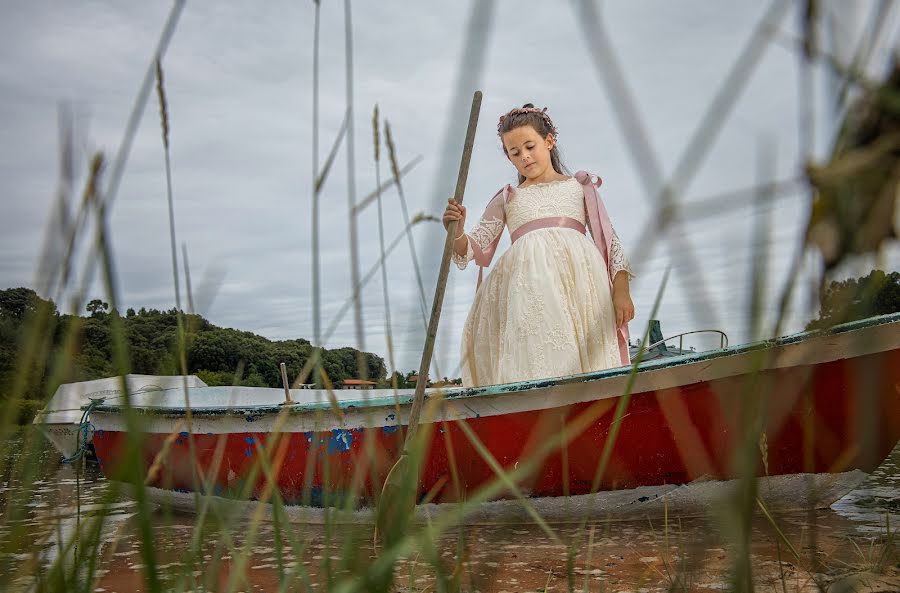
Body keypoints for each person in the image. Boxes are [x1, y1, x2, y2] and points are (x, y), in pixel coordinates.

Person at [443, 104, 635, 387]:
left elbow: (610, 241)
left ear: (549, 141)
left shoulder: (579, 187)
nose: (525, 156)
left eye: (530, 146)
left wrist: (621, 291)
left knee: (587, 353)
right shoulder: (508, 199)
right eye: (515, 153)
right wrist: (456, 231)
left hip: (581, 287)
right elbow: (470, 248)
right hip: (530, 292)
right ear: (509, 158)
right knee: (540, 352)